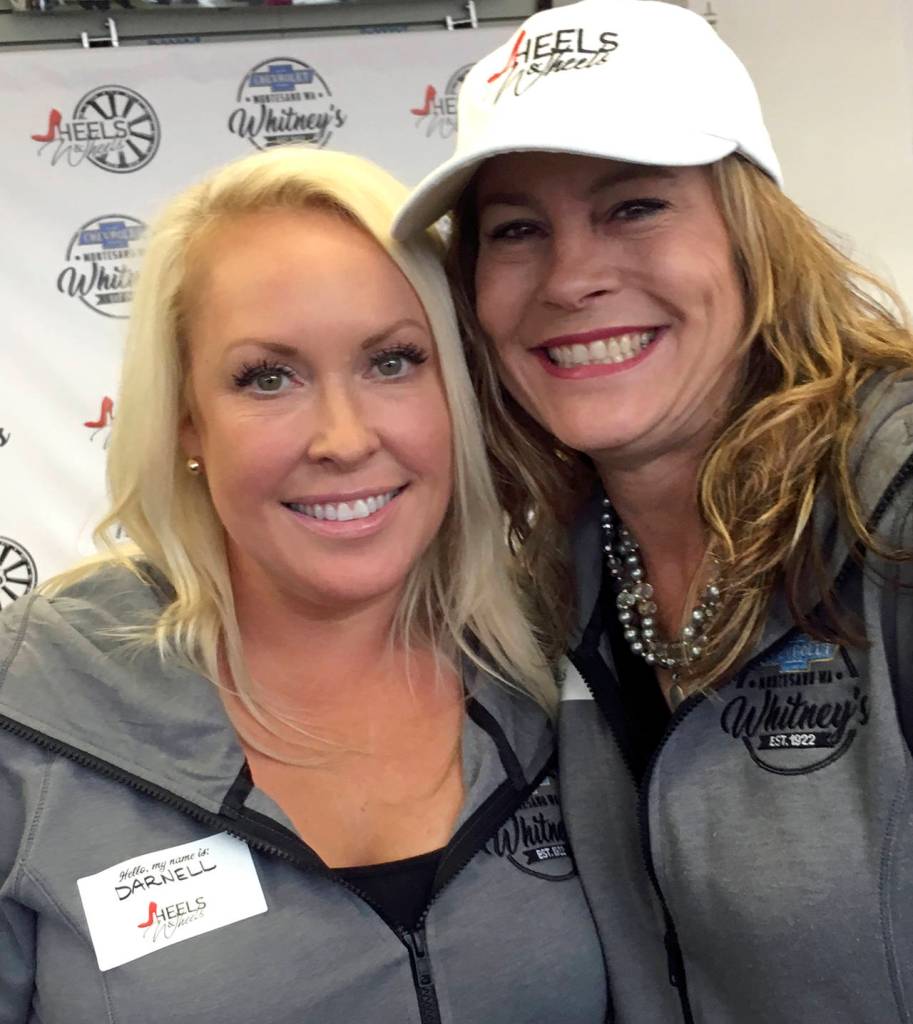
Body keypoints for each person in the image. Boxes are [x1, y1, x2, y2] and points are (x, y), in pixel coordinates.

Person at [0, 147, 608, 1024]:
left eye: (393, 361)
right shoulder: (31, 713)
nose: (342, 437)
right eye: (267, 377)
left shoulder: (565, 658)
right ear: (184, 419)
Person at [394, 1, 913, 1021]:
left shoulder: (891, 507)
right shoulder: (555, 576)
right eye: (515, 231)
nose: (572, 277)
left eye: (632, 205)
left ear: (748, 231)